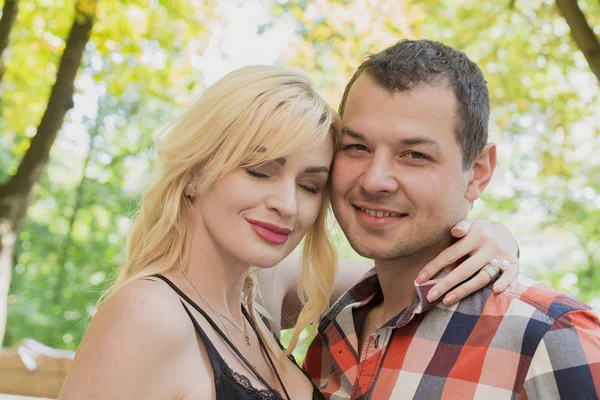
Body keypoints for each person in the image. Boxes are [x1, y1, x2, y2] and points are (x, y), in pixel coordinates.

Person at [58, 65, 520, 400]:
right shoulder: (148, 315)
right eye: (260, 170)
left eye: (309, 185)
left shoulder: (259, 292)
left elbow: (405, 269)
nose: (286, 203)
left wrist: (492, 236)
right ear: (196, 170)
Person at [303, 39, 600, 399]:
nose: (374, 179)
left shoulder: (550, 336)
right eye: (357, 147)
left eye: (414, 154)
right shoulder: (333, 334)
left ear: (477, 172)